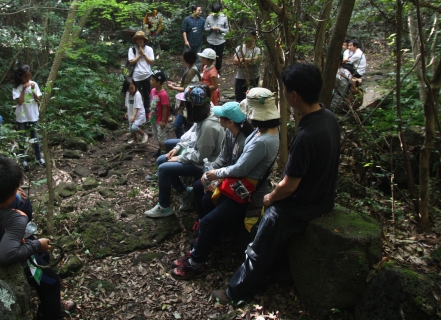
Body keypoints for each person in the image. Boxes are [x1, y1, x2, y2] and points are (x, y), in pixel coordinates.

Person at [211, 63, 341, 304]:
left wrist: (270, 198)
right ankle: (278, 274)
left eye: (285, 90)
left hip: (301, 205)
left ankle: (236, 292)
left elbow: (289, 186)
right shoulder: (328, 118)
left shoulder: (306, 135)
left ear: (294, 96)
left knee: (259, 242)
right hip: (323, 197)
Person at [171, 95, 279, 279]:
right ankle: (203, 240)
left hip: (246, 194)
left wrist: (216, 176)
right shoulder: (258, 132)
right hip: (236, 184)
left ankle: (196, 263)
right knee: (201, 191)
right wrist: (211, 173)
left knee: (209, 219)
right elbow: (225, 159)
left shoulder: (260, 140)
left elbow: (240, 168)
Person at [0, 156, 75, 319]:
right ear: (11, 195)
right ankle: (51, 312)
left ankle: (39, 287)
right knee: (52, 283)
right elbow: (6, 255)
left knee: (43, 256)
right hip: (15, 263)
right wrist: (36, 245)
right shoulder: (16, 218)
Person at [144, 84, 225, 218]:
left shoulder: (209, 126)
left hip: (207, 165)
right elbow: (191, 134)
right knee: (162, 158)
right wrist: (178, 148)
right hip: (198, 154)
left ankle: (164, 206)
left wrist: (180, 158)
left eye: (185, 104)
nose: (182, 107)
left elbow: (201, 156)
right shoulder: (204, 114)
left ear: (192, 105)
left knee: (164, 168)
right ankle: (184, 192)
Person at [13, 65, 44, 171]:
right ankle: (23, 160)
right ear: (20, 77)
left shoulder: (34, 84)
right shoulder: (17, 87)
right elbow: (20, 102)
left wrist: (32, 90)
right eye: (26, 77)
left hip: (33, 115)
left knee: (35, 137)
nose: (28, 79)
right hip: (21, 116)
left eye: (29, 76)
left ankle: (39, 157)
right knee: (21, 138)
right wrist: (24, 89)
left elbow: (38, 100)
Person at [166, 49, 201, 138]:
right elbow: (187, 85)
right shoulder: (190, 69)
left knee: (177, 125)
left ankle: (182, 141)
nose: (182, 61)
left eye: (183, 59)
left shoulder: (191, 72)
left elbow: (187, 89)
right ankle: (186, 141)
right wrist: (176, 84)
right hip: (186, 103)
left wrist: (174, 88)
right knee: (188, 126)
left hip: (188, 104)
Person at [127, 31, 155, 117]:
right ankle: (138, 113)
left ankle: (147, 111)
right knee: (137, 96)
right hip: (136, 76)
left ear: (144, 40)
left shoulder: (149, 49)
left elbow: (151, 62)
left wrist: (144, 54)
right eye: (137, 39)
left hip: (147, 75)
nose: (139, 40)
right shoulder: (132, 49)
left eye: (141, 39)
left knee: (147, 94)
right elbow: (131, 62)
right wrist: (139, 55)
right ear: (135, 40)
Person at [233, 31, 261, 102]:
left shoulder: (257, 49)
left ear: (254, 38)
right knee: (239, 99)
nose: (245, 38)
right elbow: (234, 61)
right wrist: (248, 61)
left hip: (253, 78)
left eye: (248, 36)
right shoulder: (240, 48)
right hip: (240, 77)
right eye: (244, 35)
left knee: (252, 100)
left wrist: (242, 59)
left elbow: (255, 61)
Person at [122, 76, 149, 144]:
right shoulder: (128, 94)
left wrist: (134, 116)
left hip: (138, 114)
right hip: (131, 112)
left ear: (135, 86)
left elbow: (137, 107)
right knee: (131, 129)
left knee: (134, 127)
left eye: (132, 88)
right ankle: (135, 140)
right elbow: (128, 104)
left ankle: (144, 135)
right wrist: (127, 112)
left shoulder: (137, 94)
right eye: (128, 89)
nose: (130, 90)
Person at [149, 70, 169, 158]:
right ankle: (160, 149)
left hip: (160, 119)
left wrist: (163, 121)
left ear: (158, 82)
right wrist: (150, 113)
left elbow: (165, 108)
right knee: (156, 134)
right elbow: (152, 102)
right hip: (153, 117)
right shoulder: (153, 90)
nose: (150, 81)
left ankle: (164, 153)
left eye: (153, 80)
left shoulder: (163, 94)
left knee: (161, 136)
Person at [204, 3, 229, 73]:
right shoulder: (209, 17)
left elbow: (227, 30)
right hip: (210, 40)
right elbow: (205, 28)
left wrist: (220, 29)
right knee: (207, 56)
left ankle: (217, 72)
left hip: (220, 41)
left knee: (219, 57)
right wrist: (211, 28)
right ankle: (207, 71)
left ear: (220, 10)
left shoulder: (224, 18)